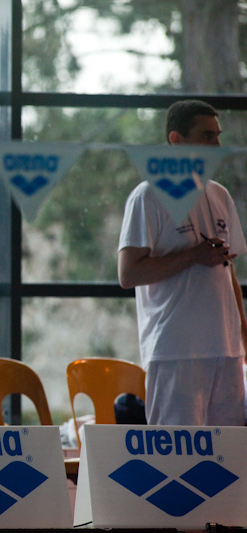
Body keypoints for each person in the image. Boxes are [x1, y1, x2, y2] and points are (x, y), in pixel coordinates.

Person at [118, 99, 247, 425]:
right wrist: (192, 256)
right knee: (178, 452)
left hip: (226, 349)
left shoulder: (220, 195)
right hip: (175, 351)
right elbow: (128, 272)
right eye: (207, 136)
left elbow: (228, 271)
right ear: (176, 140)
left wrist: (243, 336)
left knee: (228, 452)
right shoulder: (148, 196)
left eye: (218, 136)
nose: (217, 145)